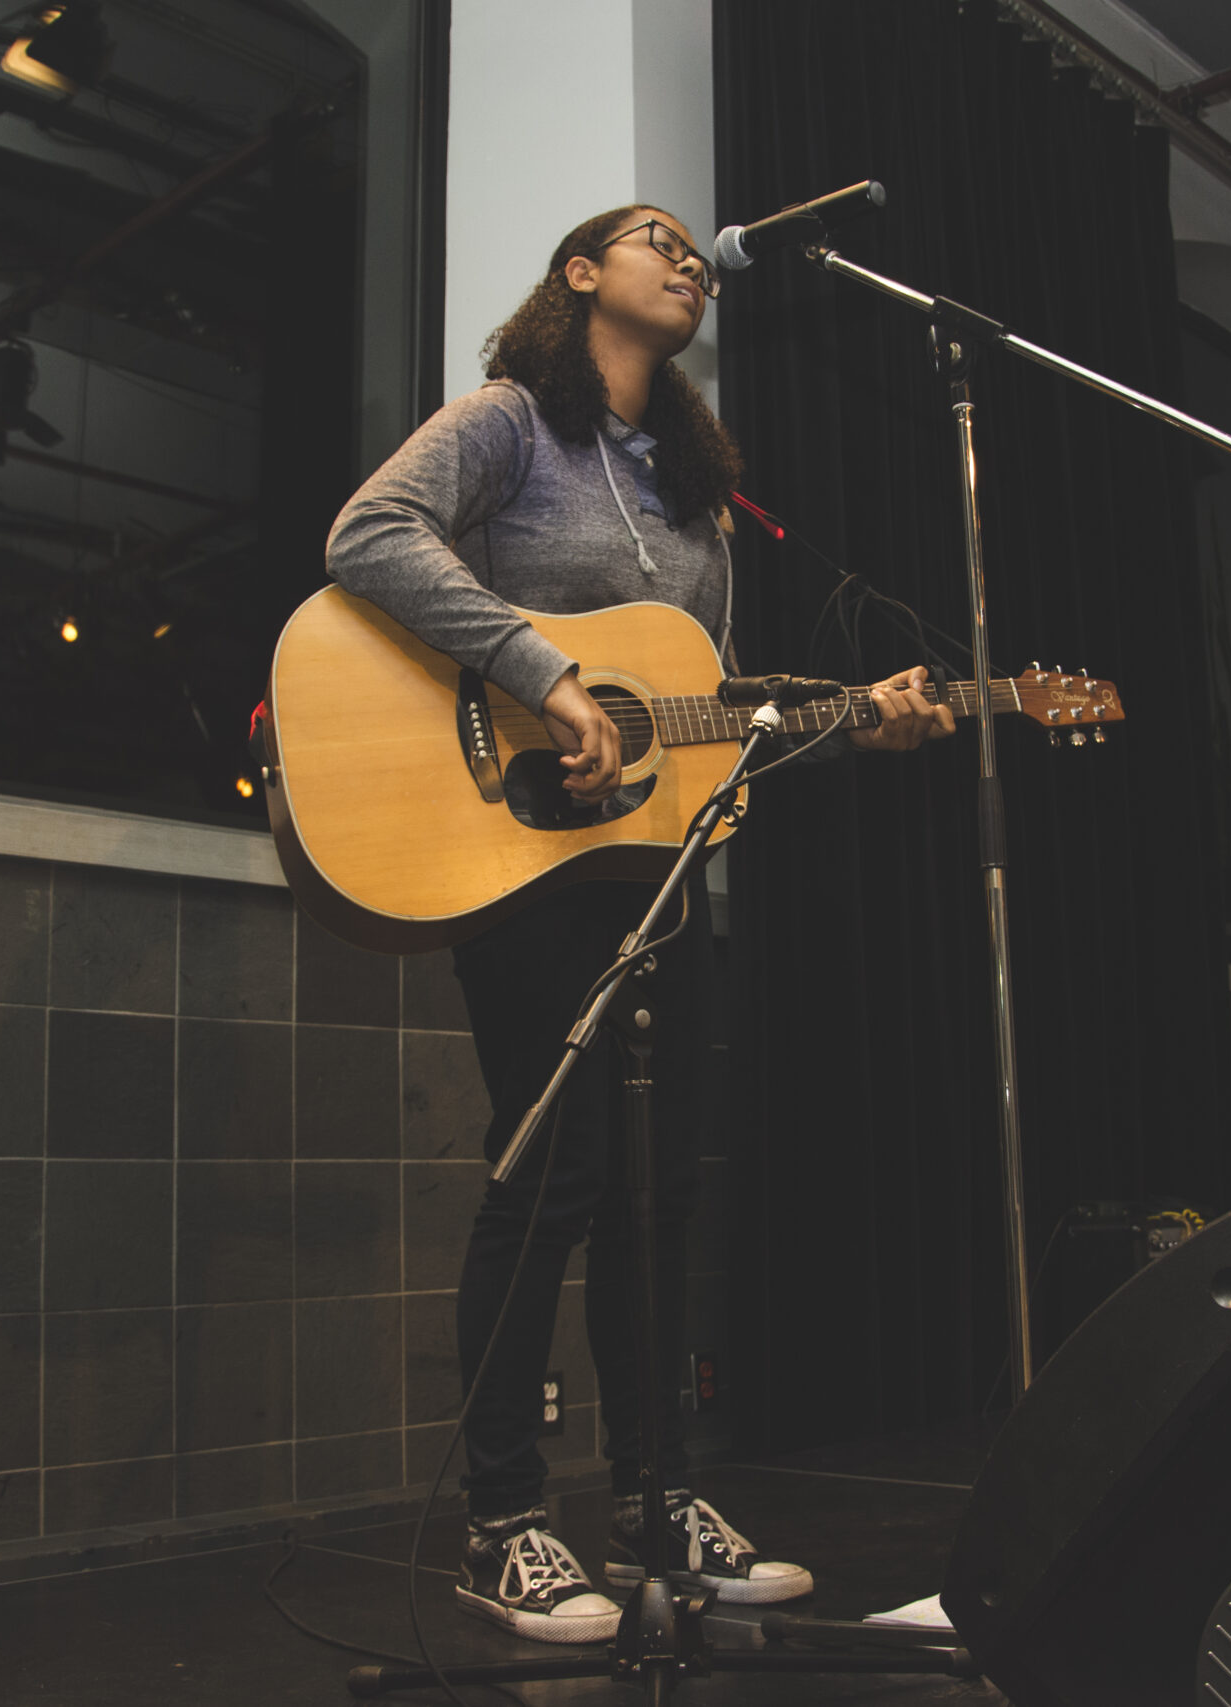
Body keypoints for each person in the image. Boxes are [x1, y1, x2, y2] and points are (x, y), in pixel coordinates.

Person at [326, 205, 954, 1643]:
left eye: (689, 250)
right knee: (552, 1178)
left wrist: (859, 721)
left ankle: (656, 1500)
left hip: (652, 871)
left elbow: (703, 714)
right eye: (653, 239)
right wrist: (544, 675)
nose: (683, 261)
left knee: (659, 1193)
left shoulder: (695, 495)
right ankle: (502, 1522)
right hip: (515, 854)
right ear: (580, 274)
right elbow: (368, 533)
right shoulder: (507, 423)